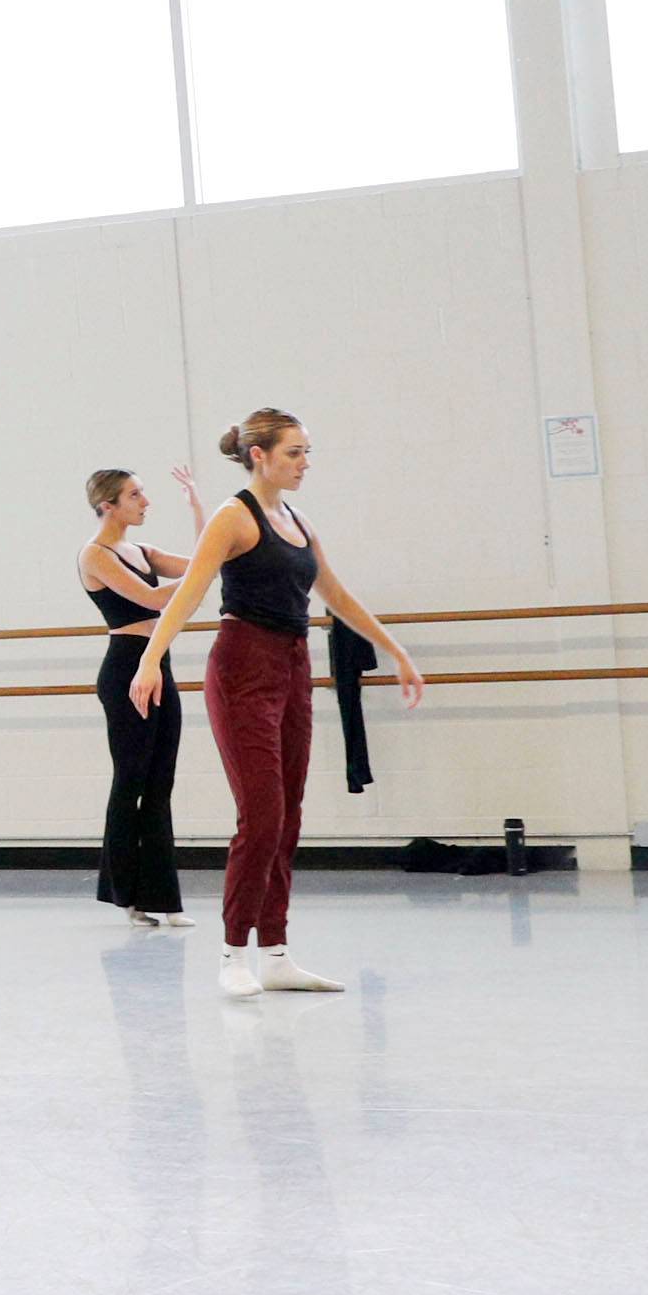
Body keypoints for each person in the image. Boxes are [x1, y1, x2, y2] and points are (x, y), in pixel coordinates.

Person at [131, 409, 426, 999]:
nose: (305, 463)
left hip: (293, 667)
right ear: (258, 455)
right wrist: (148, 660)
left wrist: (395, 650)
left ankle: (276, 952)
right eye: (294, 452)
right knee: (261, 816)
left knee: (288, 816)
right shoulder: (232, 517)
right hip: (242, 667)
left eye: (307, 451)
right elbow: (188, 596)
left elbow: (334, 592)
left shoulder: (296, 519)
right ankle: (232, 953)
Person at [80, 465, 204, 928]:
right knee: (130, 778)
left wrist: (196, 505)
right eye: (135, 495)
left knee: (161, 781)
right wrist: (201, 574)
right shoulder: (95, 555)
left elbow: (199, 563)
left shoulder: (143, 549)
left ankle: (164, 899)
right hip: (125, 667)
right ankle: (126, 895)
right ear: (107, 505)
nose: (145, 501)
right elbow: (154, 600)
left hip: (159, 662)